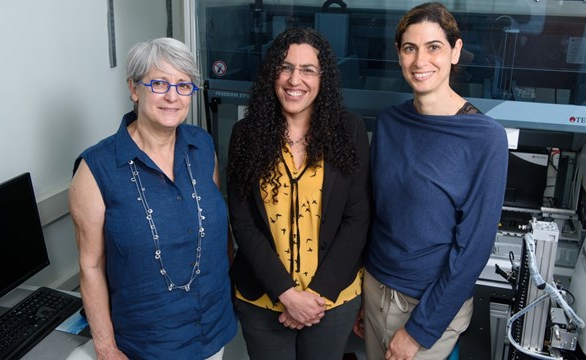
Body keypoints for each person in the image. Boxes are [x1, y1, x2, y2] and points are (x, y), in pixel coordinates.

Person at [355, 3, 509, 360]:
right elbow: (377, 213)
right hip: (375, 289)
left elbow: (472, 251)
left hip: (429, 307)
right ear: (399, 55)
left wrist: (419, 330)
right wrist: (363, 293)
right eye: (410, 48)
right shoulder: (389, 123)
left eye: (434, 47)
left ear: (455, 51)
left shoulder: (484, 138)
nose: (420, 60)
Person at [69, 37, 237, 359]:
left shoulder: (202, 146)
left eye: (183, 85)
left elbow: (218, 231)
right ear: (134, 89)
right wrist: (105, 348)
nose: (173, 97)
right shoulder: (95, 169)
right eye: (159, 83)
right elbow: (91, 266)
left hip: (212, 330)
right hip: (147, 344)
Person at [226, 27, 371, 360]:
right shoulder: (244, 135)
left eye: (308, 70)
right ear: (272, 74)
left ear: (323, 79)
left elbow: (357, 219)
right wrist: (287, 295)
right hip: (263, 301)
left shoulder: (349, 130)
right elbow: (243, 224)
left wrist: (314, 297)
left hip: (330, 302)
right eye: (286, 67)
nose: (295, 80)